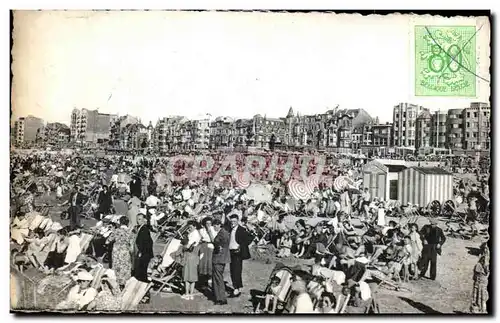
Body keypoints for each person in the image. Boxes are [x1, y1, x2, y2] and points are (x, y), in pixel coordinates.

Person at [228, 214, 252, 297]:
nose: (232, 223)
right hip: (230, 252)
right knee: (232, 271)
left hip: (237, 253)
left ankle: (237, 289)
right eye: (231, 221)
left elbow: (249, 238)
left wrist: (241, 246)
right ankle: (235, 287)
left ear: (238, 221)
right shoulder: (229, 229)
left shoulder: (242, 230)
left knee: (237, 271)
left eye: (234, 221)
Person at [108, 216, 133, 289]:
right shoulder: (130, 232)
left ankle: (117, 283)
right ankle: (124, 283)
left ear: (120, 222)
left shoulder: (116, 231)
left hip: (116, 251)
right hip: (125, 251)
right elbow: (131, 243)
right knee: (124, 267)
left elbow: (109, 240)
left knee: (117, 266)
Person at [210, 218, 230, 305]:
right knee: (218, 278)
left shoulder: (222, 233)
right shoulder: (224, 232)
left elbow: (217, 244)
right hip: (222, 258)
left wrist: (217, 246)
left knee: (218, 278)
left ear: (218, 225)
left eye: (215, 226)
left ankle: (221, 298)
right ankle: (219, 297)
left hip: (219, 258)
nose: (214, 228)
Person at [133, 210, 154, 284]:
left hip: (144, 252)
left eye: (139, 219)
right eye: (137, 219)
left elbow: (145, 242)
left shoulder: (144, 229)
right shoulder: (141, 228)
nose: (138, 221)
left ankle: (142, 284)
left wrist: (141, 251)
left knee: (142, 269)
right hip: (145, 252)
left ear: (144, 220)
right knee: (142, 269)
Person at [198, 217, 215, 289]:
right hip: (203, 246)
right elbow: (199, 238)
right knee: (202, 263)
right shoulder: (201, 230)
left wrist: (209, 231)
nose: (208, 225)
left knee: (210, 263)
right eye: (207, 223)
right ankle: (203, 281)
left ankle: (210, 280)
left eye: (210, 223)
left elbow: (213, 239)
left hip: (210, 246)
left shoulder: (213, 229)